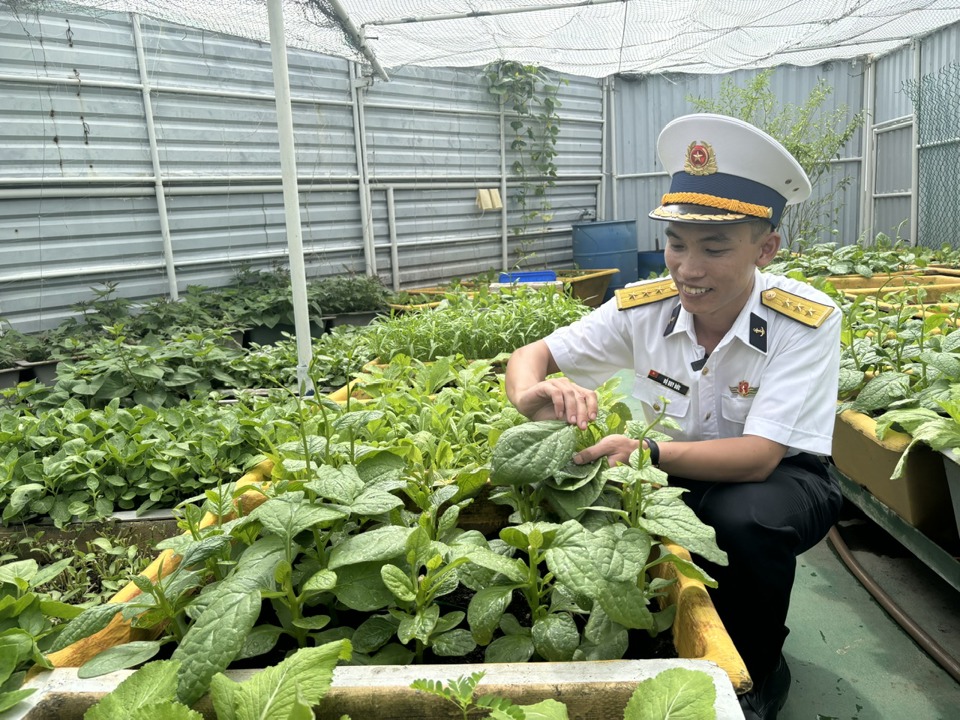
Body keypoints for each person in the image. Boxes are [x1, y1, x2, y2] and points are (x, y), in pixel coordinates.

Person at [504, 113, 843, 720]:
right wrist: (533, 393)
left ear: (766, 248)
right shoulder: (643, 306)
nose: (688, 267)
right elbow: (533, 355)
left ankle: (756, 669)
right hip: (669, 468)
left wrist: (644, 454)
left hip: (781, 479)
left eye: (714, 247)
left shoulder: (803, 319)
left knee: (742, 520)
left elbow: (761, 454)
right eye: (676, 244)